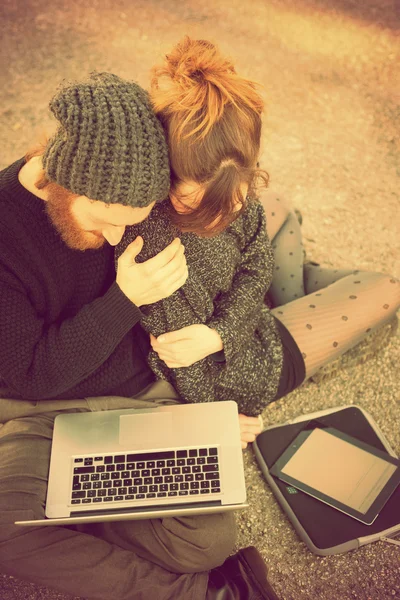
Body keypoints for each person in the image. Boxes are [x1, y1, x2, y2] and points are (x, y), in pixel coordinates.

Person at [0, 73, 280, 600]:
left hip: (136, 401)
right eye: (104, 221)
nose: (115, 239)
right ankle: (204, 595)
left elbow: (226, 249)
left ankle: (68, 511)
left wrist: (206, 406)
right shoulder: (5, 233)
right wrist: (124, 298)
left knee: (209, 541)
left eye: (128, 223)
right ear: (65, 180)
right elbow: (29, 375)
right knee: (4, 525)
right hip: (43, 411)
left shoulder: (137, 205)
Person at [115, 36, 400, 449]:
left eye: (233, 202)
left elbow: (255, 265)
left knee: (277, 210)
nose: (219, 219)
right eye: (193, 203)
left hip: (235, 321)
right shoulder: (159, 246)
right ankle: (295, 307)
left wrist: (220, 331)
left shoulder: (231, 181)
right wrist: (214, 420)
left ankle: (292, 297)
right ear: (167, 174)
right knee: (388, 287)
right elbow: (185, 367)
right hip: (248, 365)